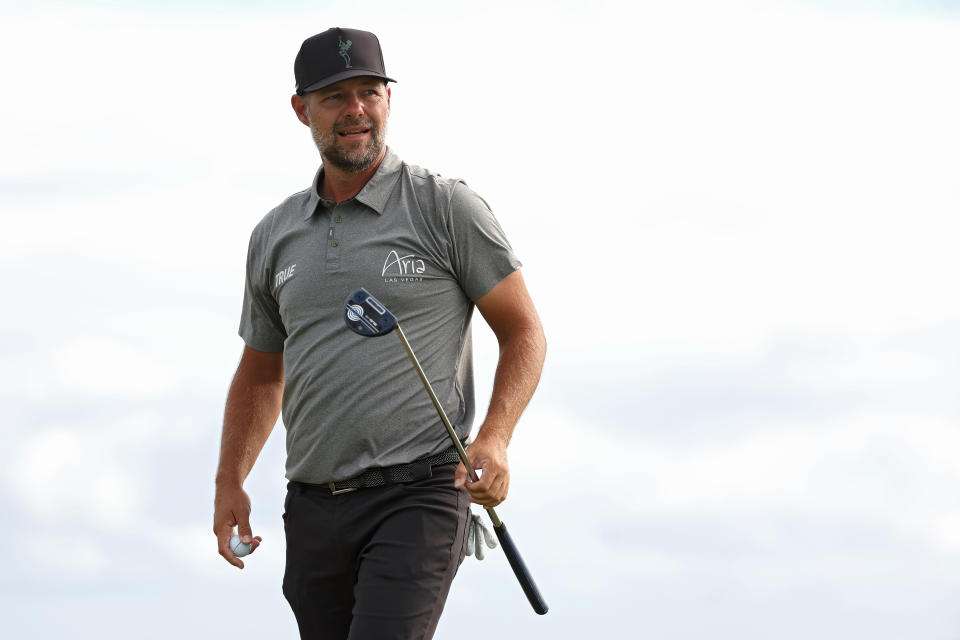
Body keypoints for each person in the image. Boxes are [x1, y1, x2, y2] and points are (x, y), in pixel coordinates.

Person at [213, 27, 546, 640]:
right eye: (336, 97)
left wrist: (496, 439)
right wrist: (230, 479)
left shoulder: (445, 206)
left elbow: (523, 331)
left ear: (389, 100)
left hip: (418, 492)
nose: (356, 110)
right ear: (301, 109)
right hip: (312, 503)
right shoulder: (274, 233)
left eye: (370, 92)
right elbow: (262, 368)